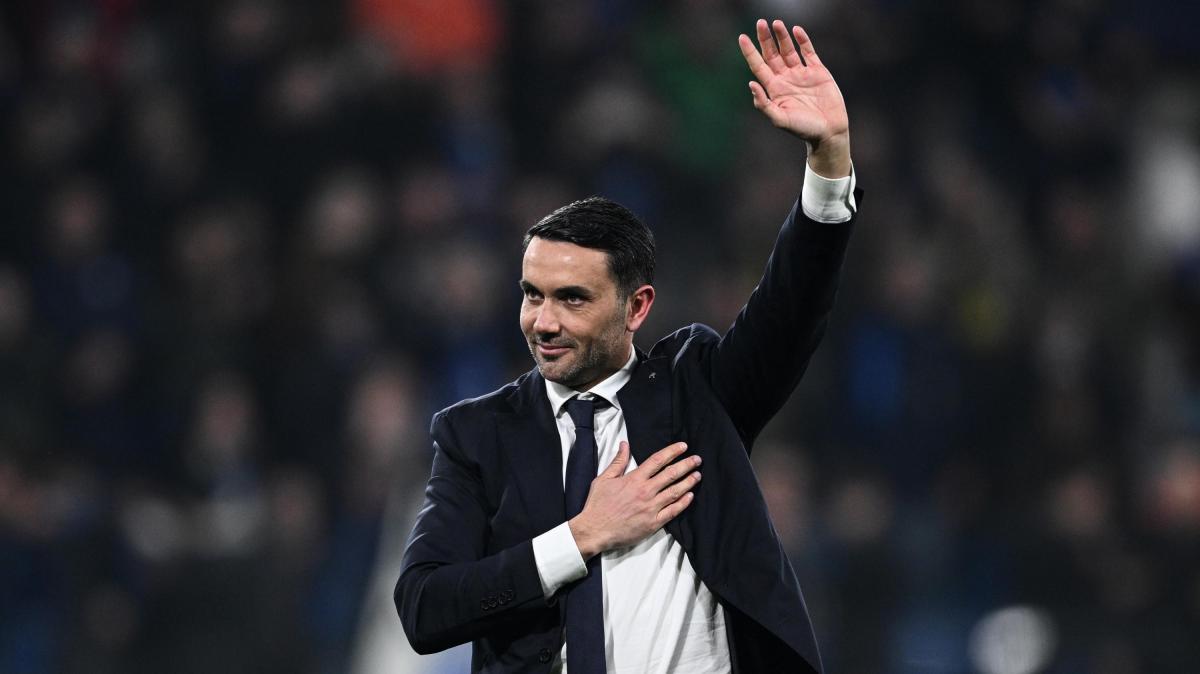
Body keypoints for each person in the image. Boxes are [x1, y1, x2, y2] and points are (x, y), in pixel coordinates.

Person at [396, 19, 859, 674]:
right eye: (533, 295)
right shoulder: (478, 437)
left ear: (636, 307)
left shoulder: (695, 394)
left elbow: (792, 307)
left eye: (572, 299)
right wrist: (581, 536)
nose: (543, 321)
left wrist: (828, 162)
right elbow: (424, 608)